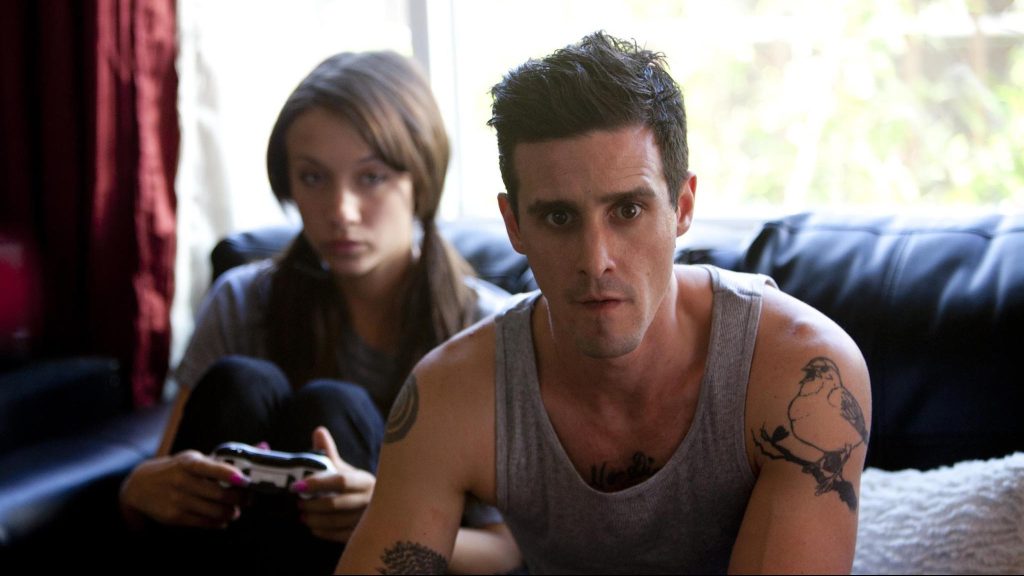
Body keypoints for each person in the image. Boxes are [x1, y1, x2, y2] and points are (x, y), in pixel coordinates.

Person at [338, 31, 871, 574]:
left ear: (683, 207)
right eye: (559, 217)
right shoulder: (453, 393)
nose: (595, 261)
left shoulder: (796, 370)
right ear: (514, 225)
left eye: (628, 211)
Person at [118, 51, 521, 574]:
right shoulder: (242, 300)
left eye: (371, 178)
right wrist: (137, 490)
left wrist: (389, 520)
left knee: (332, 407)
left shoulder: (485, 327)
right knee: (243, 382)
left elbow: (507, 551)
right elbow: (158, 492)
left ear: (419, 181)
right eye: (313, 178)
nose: (340, 211)